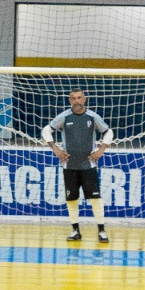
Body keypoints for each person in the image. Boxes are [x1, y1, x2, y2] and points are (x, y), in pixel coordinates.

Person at [42, 90, 114, 243]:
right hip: (69, 166)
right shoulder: (64, 117)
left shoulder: (93, 117)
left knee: (95, 198)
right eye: (73, 98)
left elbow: (108, 132)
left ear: (85, 99)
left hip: (88, 165)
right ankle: (75, 230)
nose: (76, 101)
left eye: (79, 98)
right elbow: (46, 130)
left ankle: (101, 231)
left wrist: (101, 150)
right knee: (71, 199)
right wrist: (55, 149)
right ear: (70, 100)